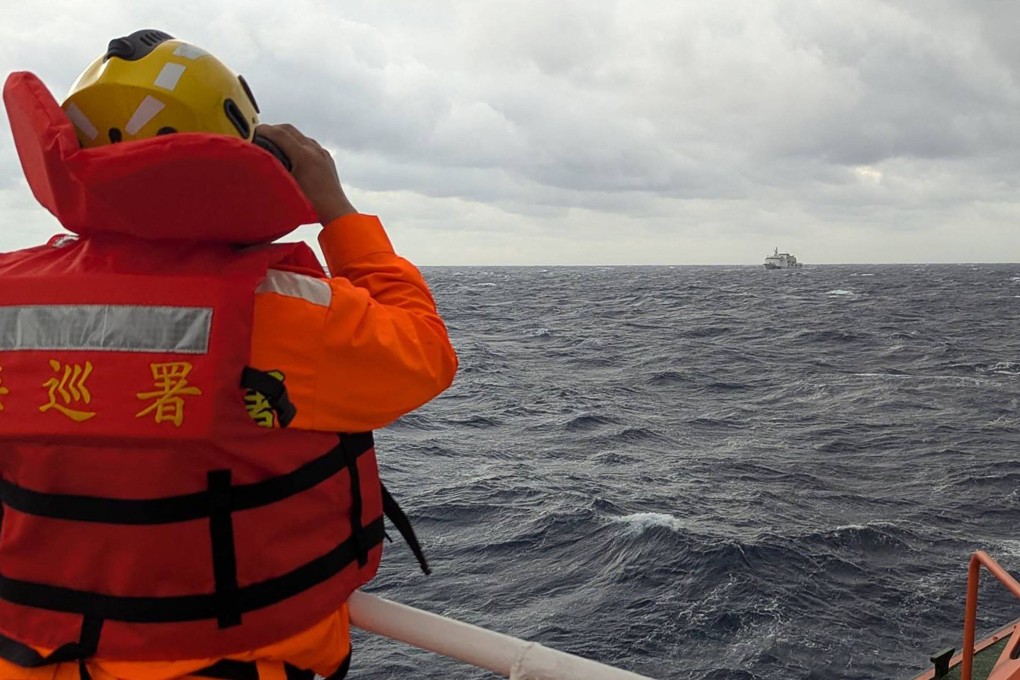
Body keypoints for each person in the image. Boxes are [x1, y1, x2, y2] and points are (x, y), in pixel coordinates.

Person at [0, 29, 457, 680]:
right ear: (241, 149)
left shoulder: (9, 297)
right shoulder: (284, 309)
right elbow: (425, 353)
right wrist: (337, 208)